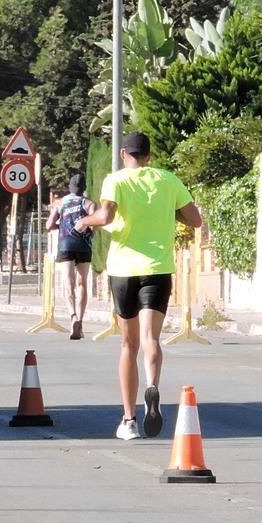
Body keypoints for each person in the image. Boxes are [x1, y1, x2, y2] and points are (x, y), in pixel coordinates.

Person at [78, 131, 203, 442]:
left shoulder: (116, 180)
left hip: (123, 270)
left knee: (127, 345)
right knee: (151, 339)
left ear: (124, 154)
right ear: (150, 155)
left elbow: (105, 216)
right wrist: (166, 211)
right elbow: (195, 220)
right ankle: (153, 385)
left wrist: (85, 221)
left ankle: (129, 419)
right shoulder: (168, 180)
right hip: (158, 270)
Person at [47, 171, 96, 340]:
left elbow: (48, 225)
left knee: (69, 282)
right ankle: (81, 321)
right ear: (84, 188)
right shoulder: (88, 203)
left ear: (69, 187)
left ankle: (73, 316)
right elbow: (94, 223)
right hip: (83, 245)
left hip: (65, 244)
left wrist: (60, 227)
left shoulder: (60, 203)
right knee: (82, 283)